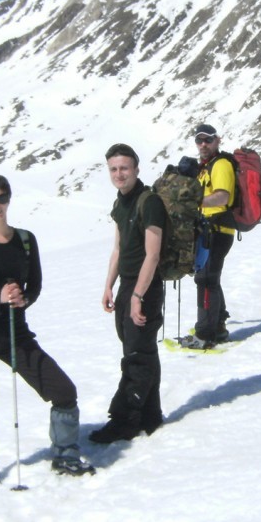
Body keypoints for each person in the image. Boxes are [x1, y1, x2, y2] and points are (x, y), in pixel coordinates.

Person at [0, 175, 94, 481]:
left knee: (63, 390)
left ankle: (66, 453)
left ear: (9, 199)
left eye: (1, 198)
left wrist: (23, 300)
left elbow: (35, 285)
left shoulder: (25, 241)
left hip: (15, 331)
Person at [91, 144, 167, 443]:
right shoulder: (121, 203)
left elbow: (153, 255)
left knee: (137, 354)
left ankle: (125, 420)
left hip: (145, 288)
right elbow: (118, 249)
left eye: (124, 168)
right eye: (113, 169)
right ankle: (150, 415)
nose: (119, 174)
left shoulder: (149, 203)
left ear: (136, 168)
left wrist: (137, 296)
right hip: (127, 287)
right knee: (140, 350)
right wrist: (109, 285)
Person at [180, 123, 236, 350]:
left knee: (205, 281)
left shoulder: (221, 165)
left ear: (217, 140)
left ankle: (205, 334)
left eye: (208, 140)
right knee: (210, 279)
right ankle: (218, 327)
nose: (203, 144)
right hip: (210, 230)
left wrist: (196, 201)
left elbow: (222, 197)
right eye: (199, 140)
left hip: (217, 231)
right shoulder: (207, 166)